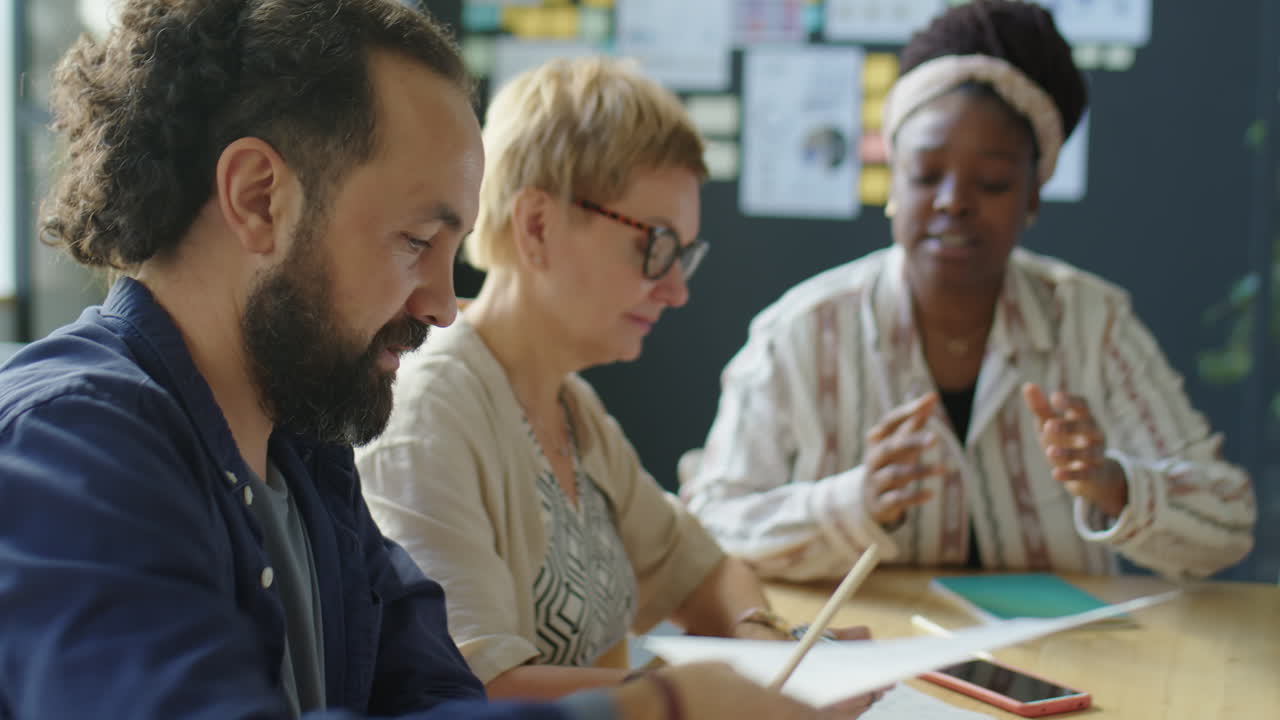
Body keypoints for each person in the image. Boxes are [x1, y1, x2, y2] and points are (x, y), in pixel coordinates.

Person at [0, 2, 848, 718]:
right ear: (259, 198)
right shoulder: (72, 449)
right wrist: (656, 706)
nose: (444, 304)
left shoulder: (307, 451)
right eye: (415, 240)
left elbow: (441, 697)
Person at [354, 57, 875, 714]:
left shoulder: (571, 406)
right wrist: (718, 696)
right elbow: (476, 692)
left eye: (684, 254)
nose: (677, 289)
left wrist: (770, 653)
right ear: (537, 224)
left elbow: (706, 569)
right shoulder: (429, 414)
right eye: (655, 246)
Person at [680, 0, 1255, 582]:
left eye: (993, 182)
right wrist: (853, 504)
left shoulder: (1092, 323)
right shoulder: (802, 331)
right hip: (865, 665)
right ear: (894, 185)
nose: (953, 201)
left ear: (1032, 196)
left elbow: (1227, 527)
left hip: (1058, 668)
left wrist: (1114, 484)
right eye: (926, 174)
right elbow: (711, 531)